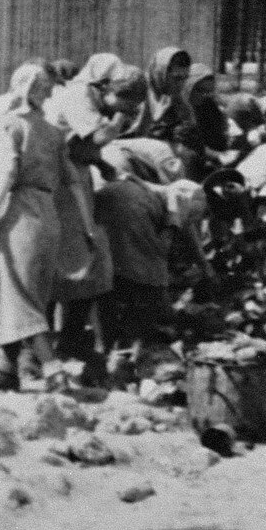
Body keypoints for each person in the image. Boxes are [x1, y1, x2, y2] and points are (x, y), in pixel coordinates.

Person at [44, 53, 149, 380]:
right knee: (76, 259)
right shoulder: (78, 96)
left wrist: (103, 164)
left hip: (74, 178)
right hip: (60, 183)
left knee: (81, 261)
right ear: (103, 86)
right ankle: (53, 343)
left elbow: (83, 148)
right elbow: (92, 139)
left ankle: (70, 338)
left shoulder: (92, 100)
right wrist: (117, 123)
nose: (126, 110)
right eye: (123, 100)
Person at [0, 62, 69, 391]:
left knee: (17, 293)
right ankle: (5, 368)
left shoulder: (11, 125)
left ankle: (53, 368)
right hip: (48, 213)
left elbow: (7, 172)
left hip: (20, 212)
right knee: (25, 291)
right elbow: (69, 180)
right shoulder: (53, 132)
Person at [95, 142, 175, 387]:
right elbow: (165, 241)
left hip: (108, 264)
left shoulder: (103, 190)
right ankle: (125, 362)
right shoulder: (155, 195)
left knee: (108, 312)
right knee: (138, 319)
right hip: (141, 268)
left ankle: (106, 361)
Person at [130, 46, 191, 140]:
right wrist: (156, 119)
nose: (181, 84)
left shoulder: (176, 98)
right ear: (161, 73)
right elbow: (130, 137)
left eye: (185, 78)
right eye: (177, 78)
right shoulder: (139, 92)